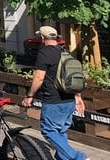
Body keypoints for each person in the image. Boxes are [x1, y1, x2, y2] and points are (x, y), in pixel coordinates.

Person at [22, 26, 88, 160]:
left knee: (49, 131)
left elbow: (39, 77)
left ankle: (77, 156)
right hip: (69, 100)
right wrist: (78, 97)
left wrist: (30, 96)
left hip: (54, 101)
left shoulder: (44, 53)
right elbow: (73, 76)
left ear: (42, 38)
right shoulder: (66, 52)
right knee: (60, 132)